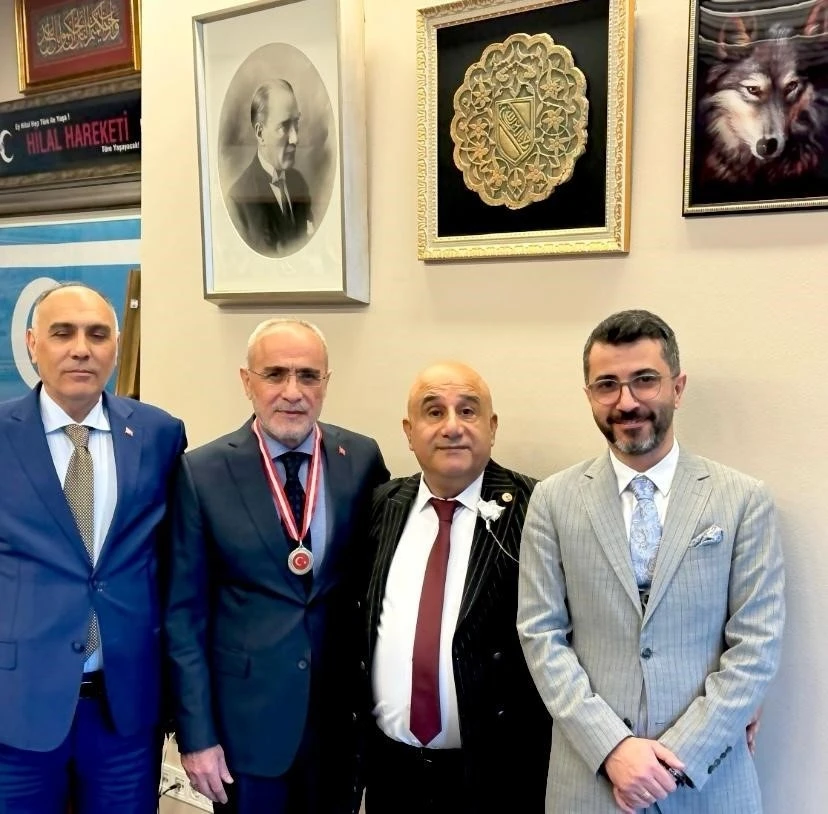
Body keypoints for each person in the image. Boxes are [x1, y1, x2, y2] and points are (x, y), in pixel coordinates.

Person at [517, 309, 785, 813]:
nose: (627, 401)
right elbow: (541, 635)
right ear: (589, 395)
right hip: (591, 780)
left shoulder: (743, 499)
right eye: (607, 385)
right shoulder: (552, 501)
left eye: (645, 380)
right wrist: (612, 749)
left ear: (677, 388)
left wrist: (677, 758)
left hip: (710, 782)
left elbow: (757, 644)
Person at [166, 318, 389, 814]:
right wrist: (196, 736)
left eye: (308, 376)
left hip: (338, 724)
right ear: (247, 381)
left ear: (326, 382)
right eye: (275, 374)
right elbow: (184, 616)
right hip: (246, 729)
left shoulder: (361, 459)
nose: (293, 392)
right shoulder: (202, 472)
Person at [0, 283, 186, 814]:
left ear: (117, 346)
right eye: (63, 333)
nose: (81, 349)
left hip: (123, 712)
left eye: (97, 334)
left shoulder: (159, 434)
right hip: (17, 709)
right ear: (33, 343)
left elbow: (174, 563)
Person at [363, 362, 551, 814]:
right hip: (390, 771)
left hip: (497, 777)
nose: (452, 427)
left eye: (468, 411)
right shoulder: (380, 504)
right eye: (434, 412)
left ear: (492, 427)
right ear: (409, 432)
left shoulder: (539, 509)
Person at [228, 79, 314, 257]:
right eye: (284, 126)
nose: (295, 139)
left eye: (296, 123)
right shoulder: (237, 200)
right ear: (260, 134)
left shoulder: (299, 183)